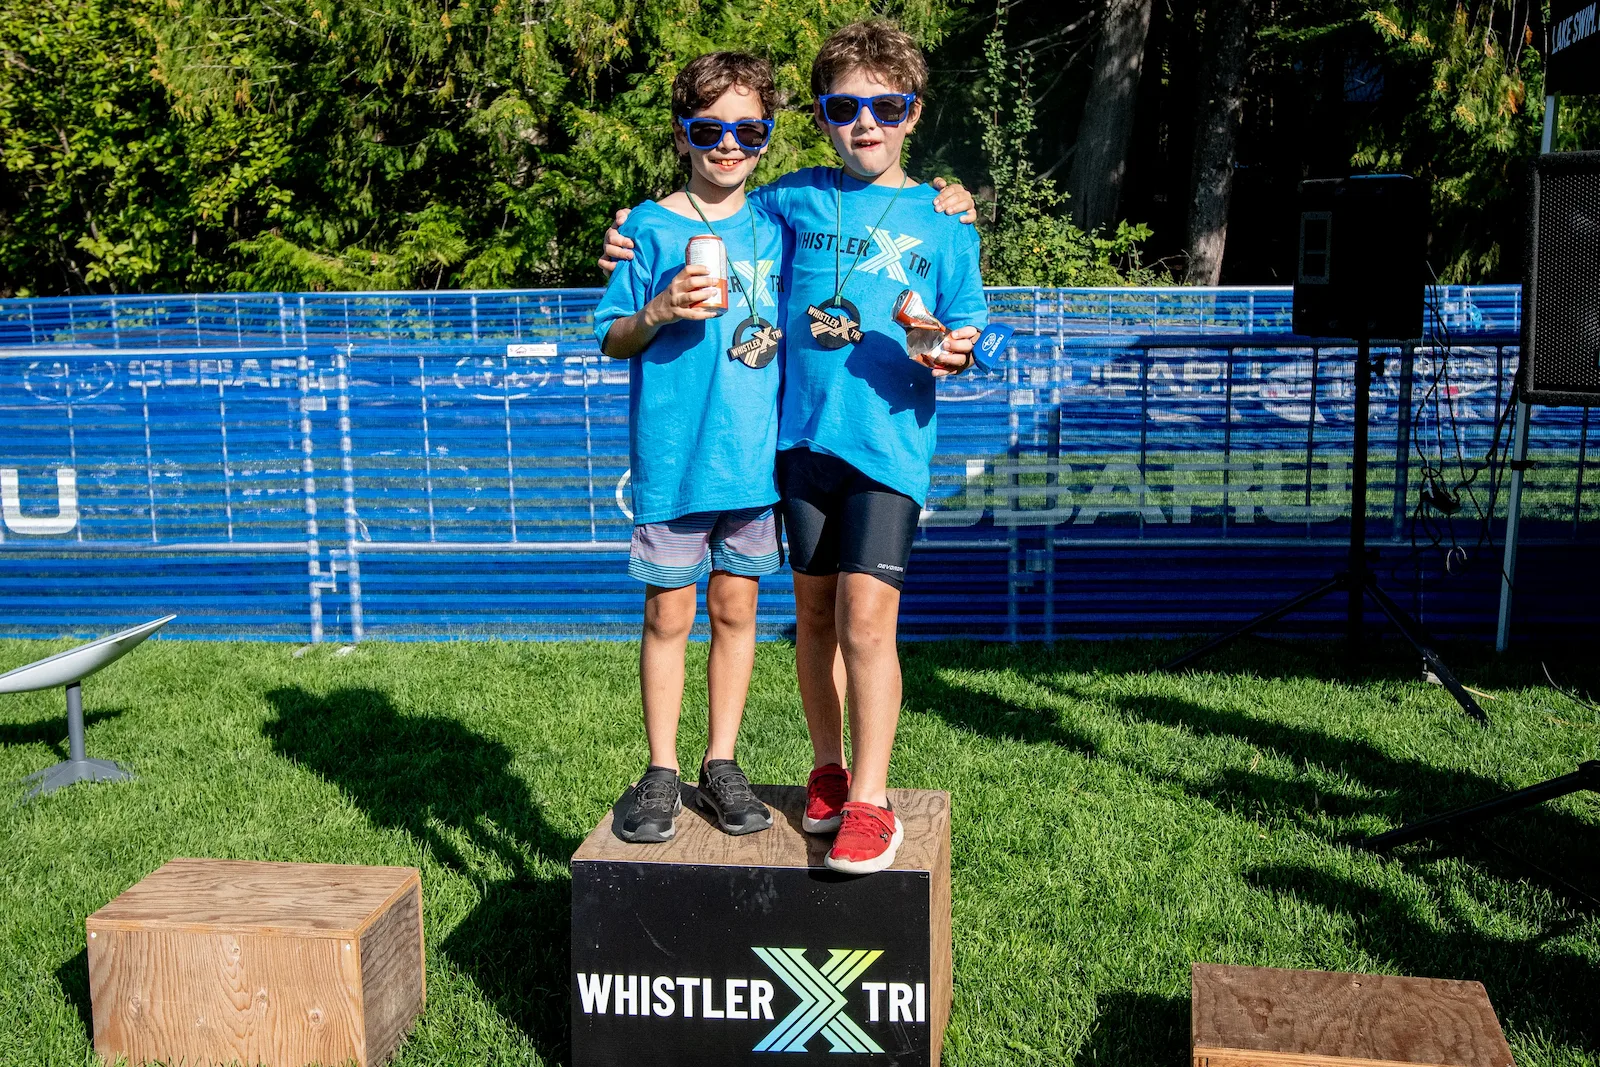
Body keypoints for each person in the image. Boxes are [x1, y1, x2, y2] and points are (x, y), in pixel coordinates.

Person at [603, 21, 987, 874]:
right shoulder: (793, 201)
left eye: (887, 106)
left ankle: (872, 802)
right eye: (846, 107)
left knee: (865, 621)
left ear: (915, 113)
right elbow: (711, 204)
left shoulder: (946, 221)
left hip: (887, 452)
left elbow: (972, 335)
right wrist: (633, 226)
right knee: (812, 618)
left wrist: (953, 345)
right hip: (796, 449)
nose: (866, 123)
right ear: (819, 117)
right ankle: (826, 769)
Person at [593, 52, 791, 843]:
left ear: (769, 136)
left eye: (748, 128)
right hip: (674, 460)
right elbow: (612, 337)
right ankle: (661, 771)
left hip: (754, 461)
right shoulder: (645, 227)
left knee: (736, 608)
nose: (728, 144)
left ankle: (723, 760)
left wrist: (954, 200)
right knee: (668, 615)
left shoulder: (779, 221)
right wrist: (658, 309)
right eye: (709, 128)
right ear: (681, 134)